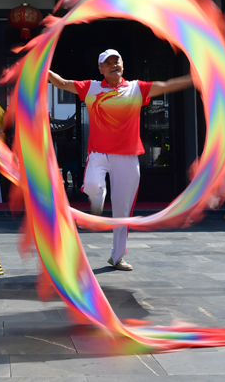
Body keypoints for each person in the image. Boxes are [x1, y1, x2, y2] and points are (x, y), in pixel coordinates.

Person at [48, 49, 193, 271]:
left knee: (122, 210)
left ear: (123, 65)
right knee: (93, 186)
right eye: (109, 63)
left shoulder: (136, 88)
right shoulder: (91, 88)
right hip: (99, 153)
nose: (114, 65)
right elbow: (62, 82)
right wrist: (41, 70)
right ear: (101, 69)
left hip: (127, 156)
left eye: (117, 61)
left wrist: (194, 78)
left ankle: (117, 257)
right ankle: (97, 200)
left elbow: (165, 86)